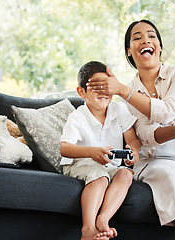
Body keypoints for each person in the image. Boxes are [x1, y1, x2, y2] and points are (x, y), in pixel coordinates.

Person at [86, 20, 175, 240]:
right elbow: (145, 134)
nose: (146, 40)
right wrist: (174, 131)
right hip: (157, 159)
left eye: (152, 36)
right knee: (171, 175)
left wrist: (123, 91)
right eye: (137, 38)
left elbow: (168, 110)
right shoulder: (128, 96)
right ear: (129, 51)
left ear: (160, 47)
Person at [60, 61, 141, 240]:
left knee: (126, 174)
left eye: (107, 86)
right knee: (100, 176)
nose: (104, 92)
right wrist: (91, 152)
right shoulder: (78, 116)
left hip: (109, 165)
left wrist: (133, 151)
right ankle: (88, 229)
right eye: (96, 87)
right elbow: (64, 148)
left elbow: (133, 139)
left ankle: (103, 218)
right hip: (80, 163)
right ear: (82, 92)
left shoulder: (119, 109)